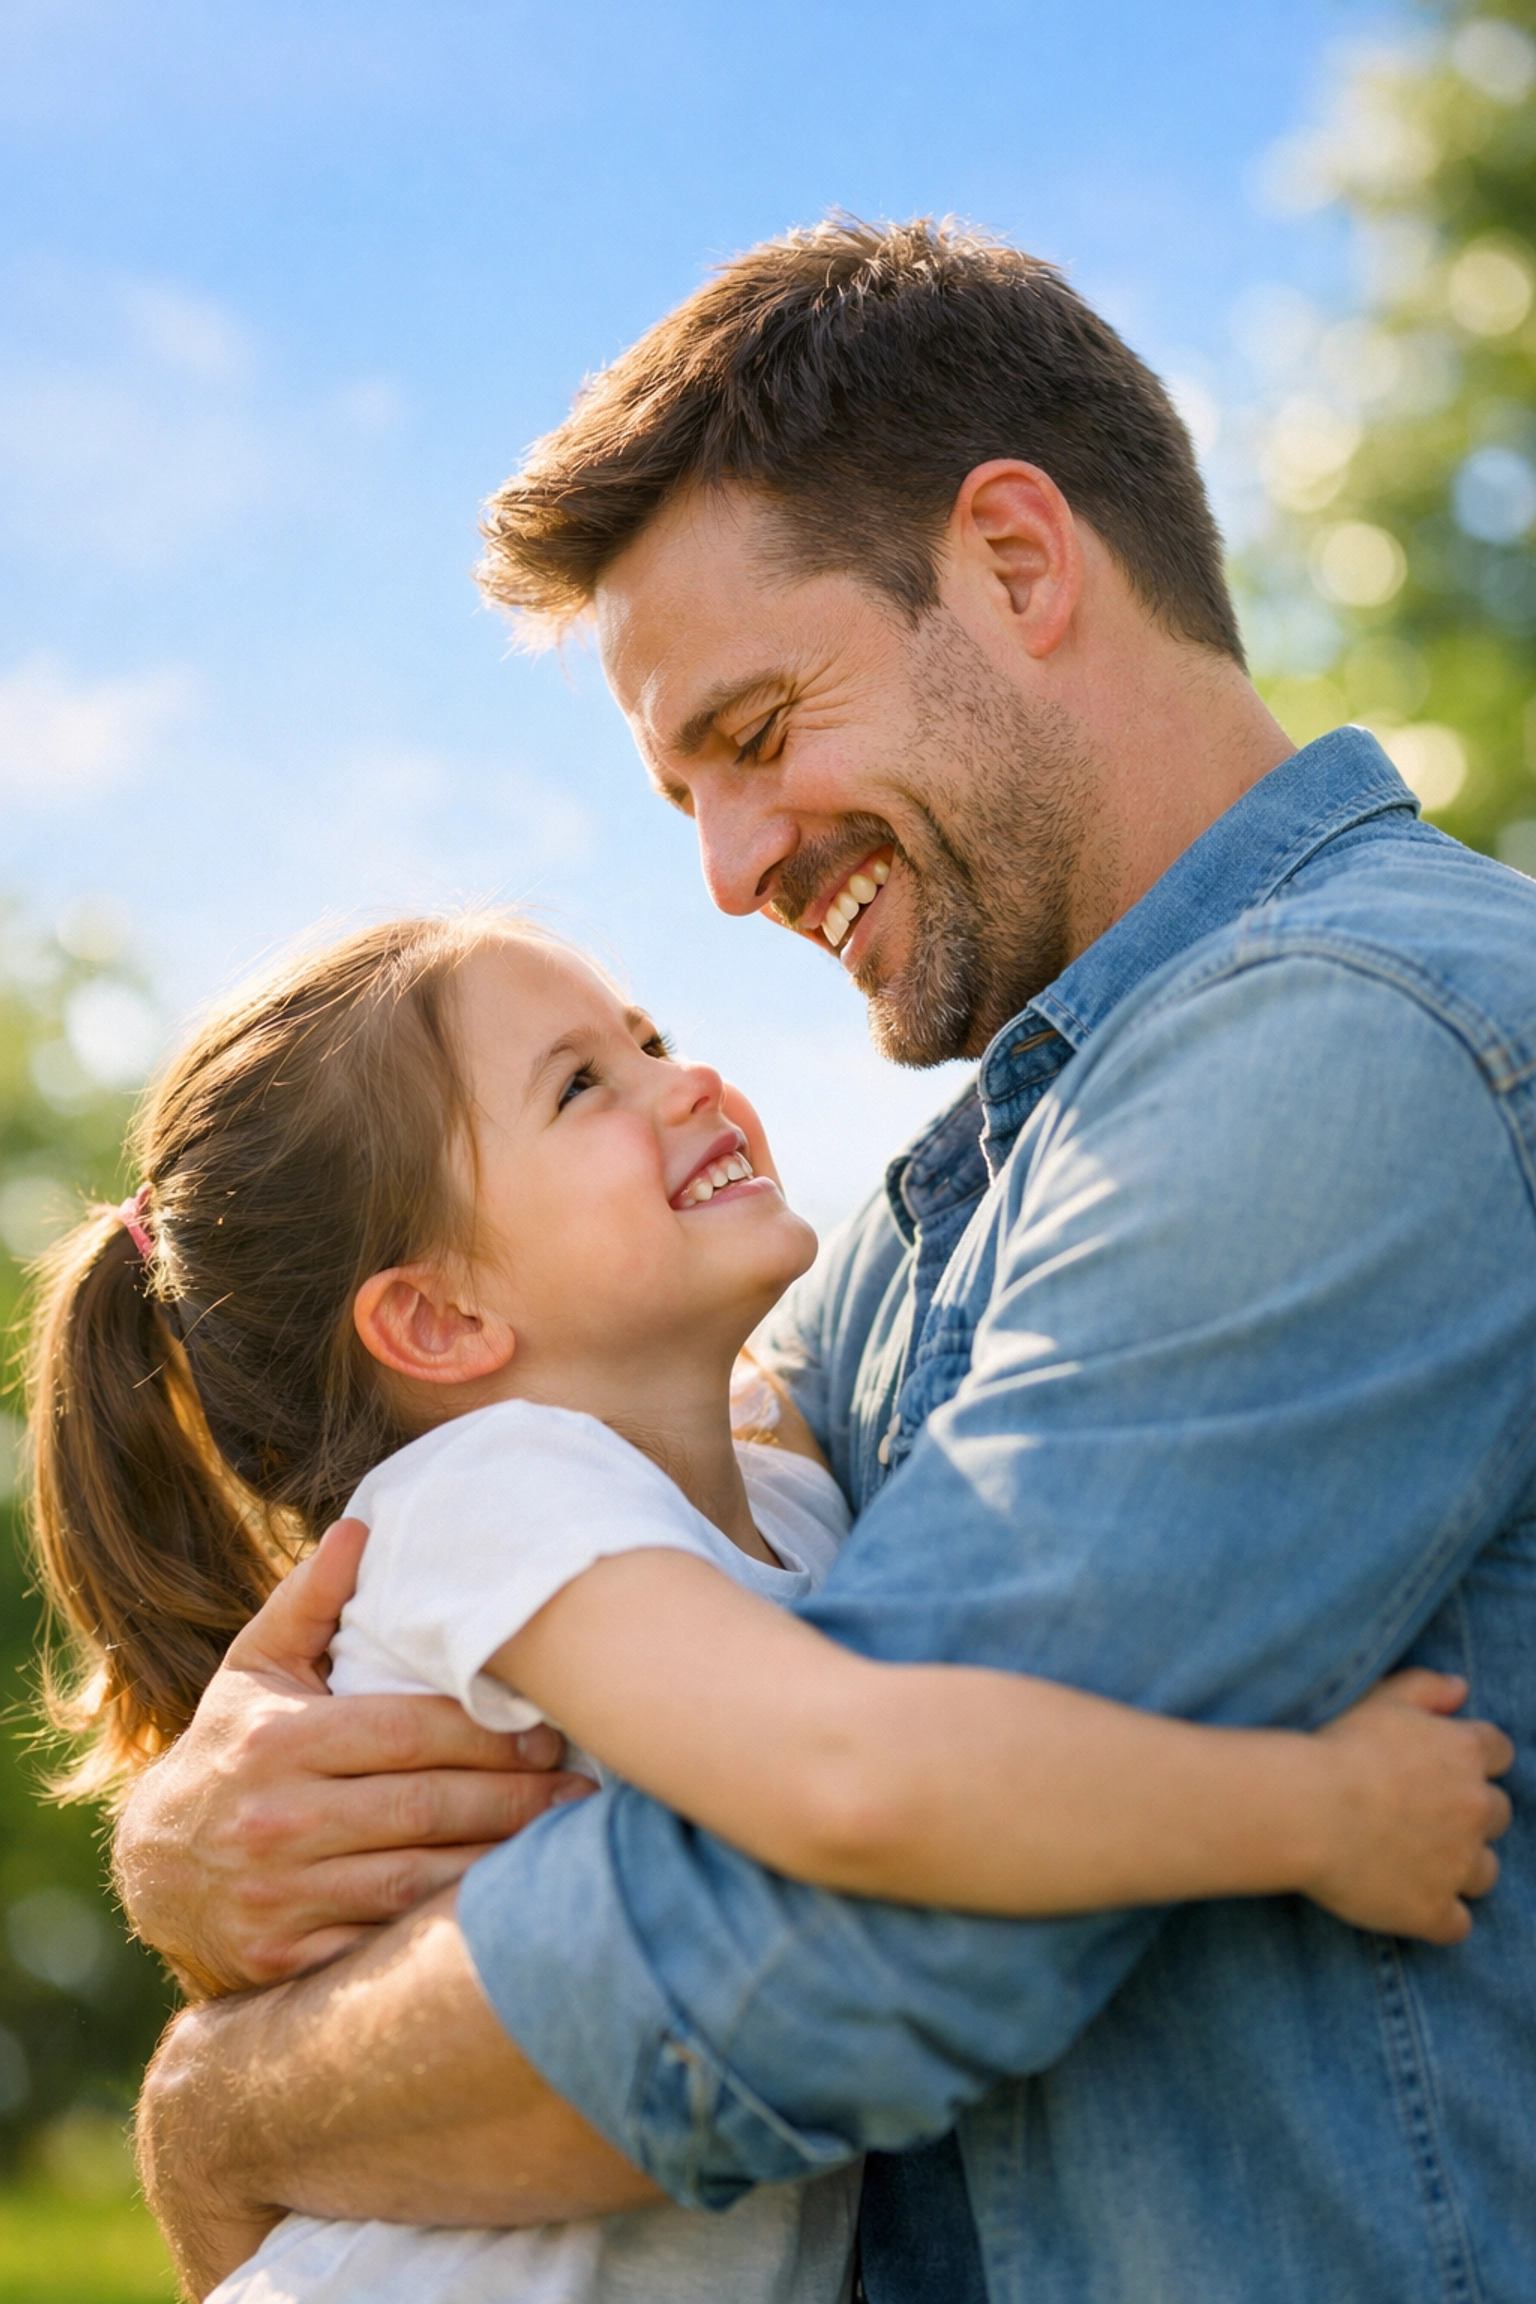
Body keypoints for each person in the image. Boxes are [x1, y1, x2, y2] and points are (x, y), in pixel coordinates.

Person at [119, 219, 1536, 2304]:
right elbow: (614, 1518)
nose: (730, 869)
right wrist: (208, 1848)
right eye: (683, 791)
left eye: (761, 731)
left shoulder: (1348, 1039)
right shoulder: (963, 1195)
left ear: (1020, 564)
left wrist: (222, 2104)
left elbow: (831, 1926)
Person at [31, 910, 1496, 2301]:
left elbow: (776, 1414)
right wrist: (1309, 1813)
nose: (689, 1079)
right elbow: (850, 1781)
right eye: (583, 1086)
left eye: (650, 1034)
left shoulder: (774, 1490)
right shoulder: (486, 1494)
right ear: (438, 1320)